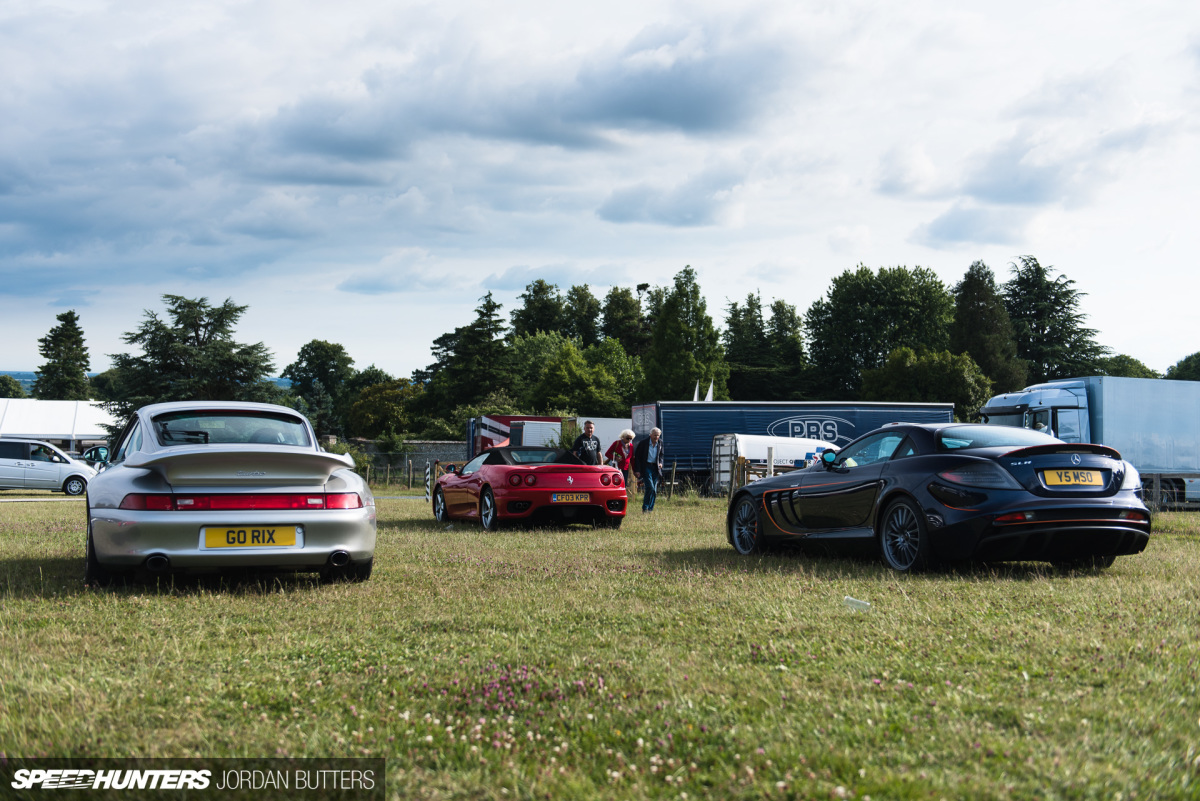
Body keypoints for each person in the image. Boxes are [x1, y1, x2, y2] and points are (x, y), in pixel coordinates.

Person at [633, 427, 665, 513]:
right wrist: (637, 470)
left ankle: (650, 509)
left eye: (658, 435)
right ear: (650, 435)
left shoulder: (660, 443)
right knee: (650, 487)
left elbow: (661, 455)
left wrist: (661, 463)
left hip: (655, 467)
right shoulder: (643, 443)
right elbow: (638, 457)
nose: (656, 437)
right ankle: (645, 507)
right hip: (646, 466)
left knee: (654, 490)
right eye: (655, 435)